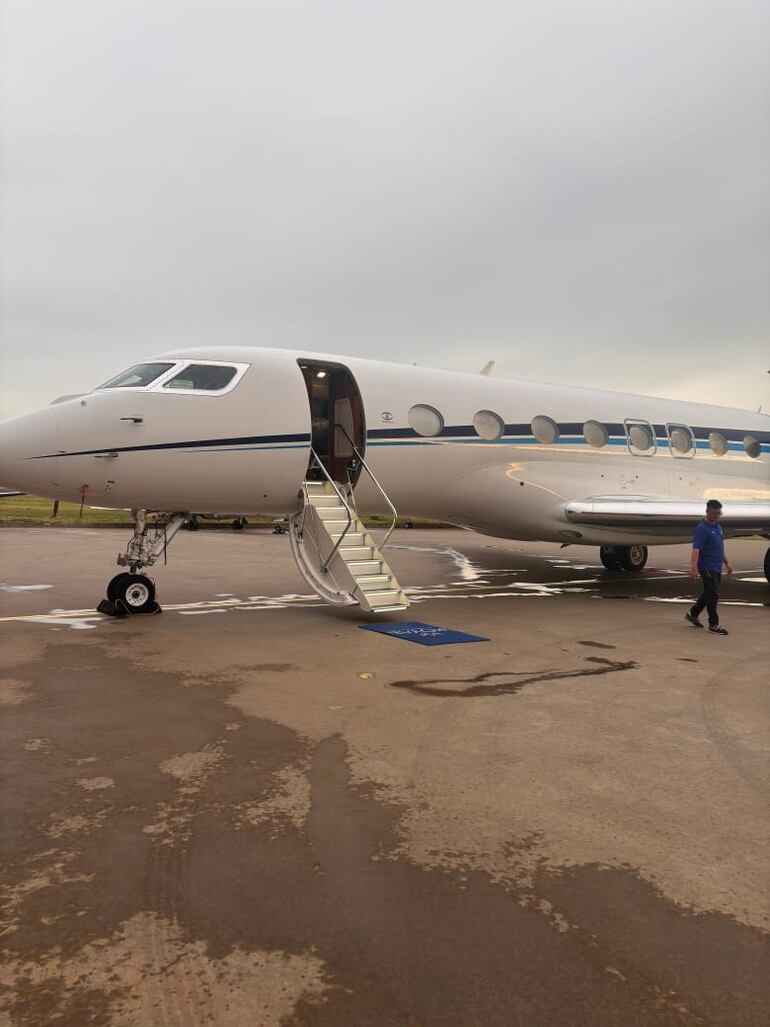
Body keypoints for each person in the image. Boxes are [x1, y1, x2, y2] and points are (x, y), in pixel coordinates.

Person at [685, 499, 733, 634]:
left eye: (719, 513)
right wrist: (693, 567)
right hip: (706, 566)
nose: (717, 516)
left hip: (716, 566)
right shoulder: (702, 529)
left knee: (709, 593)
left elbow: (719, 547)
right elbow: (696, 549)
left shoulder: (718, 527)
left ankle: (693, 613)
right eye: (714, 513)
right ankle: (714, 624)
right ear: (707, 512)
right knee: (713, 595)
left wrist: (727, 562)